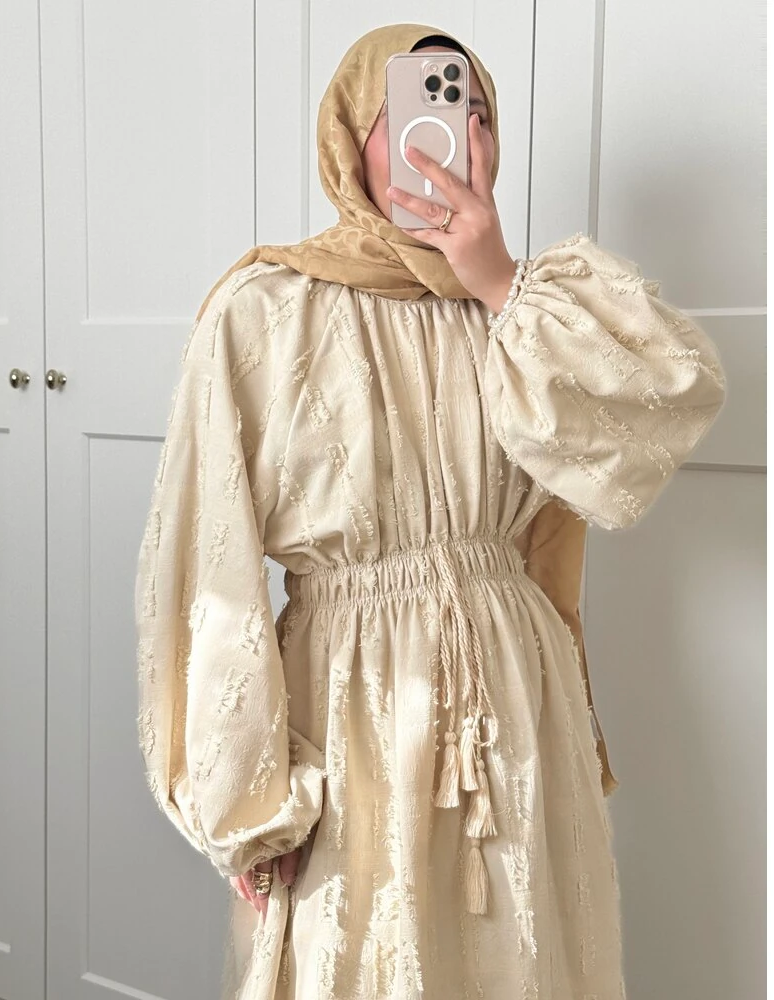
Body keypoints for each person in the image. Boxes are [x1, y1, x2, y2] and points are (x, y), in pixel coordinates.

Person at [134, 22, 726, 1000]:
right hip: (352, 699)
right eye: (416, 108)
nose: (456, 135)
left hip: (516, 690)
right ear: (349, 137)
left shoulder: (526, 309)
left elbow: (673, 398)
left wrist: (498, 280)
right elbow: (207, 569)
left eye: (476, 112)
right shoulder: (264, 309)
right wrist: (246, 799)